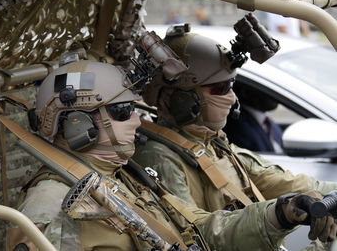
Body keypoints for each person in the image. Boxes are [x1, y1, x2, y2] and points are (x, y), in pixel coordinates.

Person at [132, 30, 337, 250]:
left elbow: (279, 180)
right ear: (183, 98)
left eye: (231, 85)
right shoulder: (158, 156)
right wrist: (280, 214)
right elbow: (192, 234)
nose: (232, 98)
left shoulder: (213, 144)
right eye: (220, 89)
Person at [223, 82, 284, 153]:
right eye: (267, 89)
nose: (275, 94)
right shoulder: (238, 127)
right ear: (245, 91)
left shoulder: (266, 121)